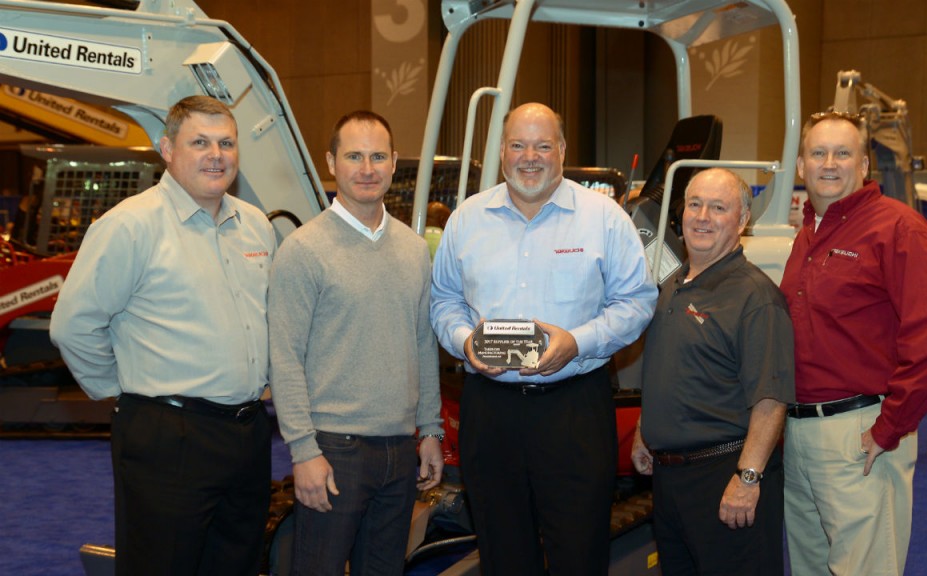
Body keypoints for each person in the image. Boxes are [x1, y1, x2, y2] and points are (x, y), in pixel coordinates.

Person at [49, 95, 276, 576]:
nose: (216, 154)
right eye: (200, 142)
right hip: (167, 435)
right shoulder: (130, 225)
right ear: (167, 149)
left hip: (248, 432)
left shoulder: (255, 225)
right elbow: (73, 324)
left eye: (226, 142)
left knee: (236, 563)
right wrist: (124, 391)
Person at [430, 102, 658, 576]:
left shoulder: (604, 219)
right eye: (518, 145)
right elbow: (443, 301)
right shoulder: (466, 221)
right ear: (501, 152)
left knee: (579, 553)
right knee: (502, 552)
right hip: (489, 412)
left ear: (562, 151)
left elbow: (637, 301)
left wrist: (578, 341)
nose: (529, 157)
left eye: (542, 145)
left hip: (573, 410)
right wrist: (462, 341)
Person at [779, 110, 927, 575]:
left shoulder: (897, 229)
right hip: (798, 434)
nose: (830, 163)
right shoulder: (807, 236)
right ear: (801, 165)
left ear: (864, 166)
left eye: (844, 153)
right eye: (818, 153)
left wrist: (890, 426)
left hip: (859, 433)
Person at [268, 110, 444, 576]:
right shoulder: (303, 250)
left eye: (377, 156)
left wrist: (430, 429)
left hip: (399, 451)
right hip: (334, 451)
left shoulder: (412, 249)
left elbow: (424, 344)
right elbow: (284, 357)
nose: (367, 168)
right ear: (331, 162)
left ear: (393, 163)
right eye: (354, 156)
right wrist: (303, 451)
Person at [630, 168, 794, 575]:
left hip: (726, 478)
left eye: (718, 208)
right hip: (670, 482)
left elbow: (771, 400)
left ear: (741, 222)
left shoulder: (756, 297)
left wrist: (748, 478)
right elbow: (668, 367)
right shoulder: (673, 284)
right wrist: (644, 431)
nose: (702, 216)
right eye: (695, 204)